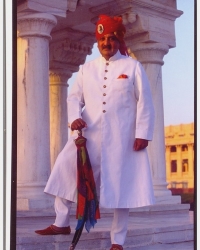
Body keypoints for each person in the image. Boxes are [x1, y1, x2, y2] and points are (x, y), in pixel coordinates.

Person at [35, 14, 155, 250]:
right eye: (102, 39)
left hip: (122, 139)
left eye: (111, 38)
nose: (106, 43)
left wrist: (143, 133)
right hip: (88, 137)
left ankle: (117, 241)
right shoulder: (86, 69)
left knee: (123, 188)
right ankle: (61, 222)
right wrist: (74, 118)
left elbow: (145, 102)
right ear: (97, 41)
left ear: (118, 40)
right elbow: (73, 97)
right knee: (65, 170)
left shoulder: (132, 67)